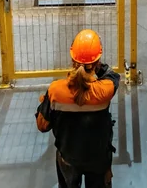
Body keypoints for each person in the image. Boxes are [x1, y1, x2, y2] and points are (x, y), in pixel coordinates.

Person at [36, 29, 121, 188]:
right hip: (98, 159)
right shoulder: (105, 90)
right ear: (97, 61)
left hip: (68, 157)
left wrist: (46, 102)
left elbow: (42, 126)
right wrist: (97, 67)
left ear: (72, 58)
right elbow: (112, 75)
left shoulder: (56, 90)